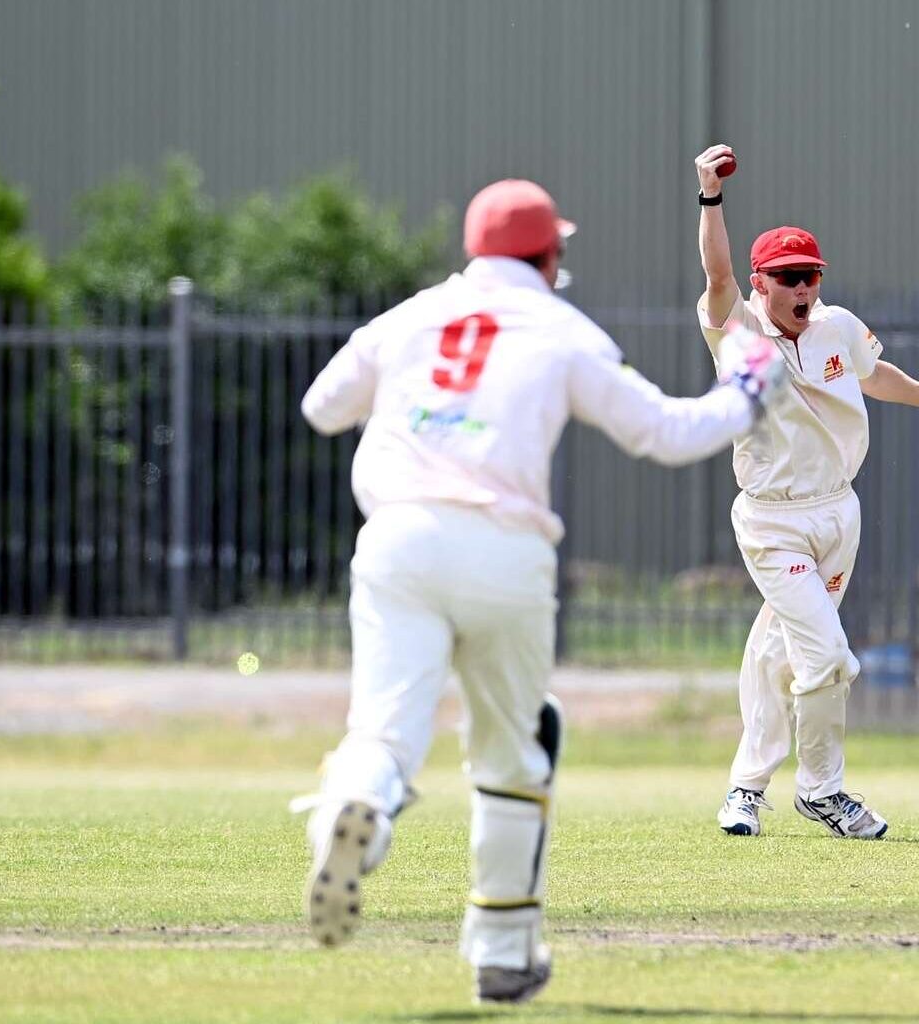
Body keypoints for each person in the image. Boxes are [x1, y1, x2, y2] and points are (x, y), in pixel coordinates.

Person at [292, 177, 784, 1005]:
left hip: (400, 539)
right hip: (506, 554)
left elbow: (321, 406)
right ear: (550, 254)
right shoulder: (561, 331)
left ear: (474, 250)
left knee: (382, 731)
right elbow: (661, 432)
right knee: (516, 750)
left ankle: (358, 812)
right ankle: (503, 951)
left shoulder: (410, 317)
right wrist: (746, 394)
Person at [692, 144, 919, 840]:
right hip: (772, 520)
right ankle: (822, 791)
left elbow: (875, 377)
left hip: (837, 514)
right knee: (826, 657)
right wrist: (710, 196)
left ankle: (743, 789)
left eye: (811, 278)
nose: (803, 290)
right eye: (789, 278)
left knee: (778, 650)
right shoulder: (737, 332)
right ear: (762, 284)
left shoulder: (838, 327)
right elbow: (717, 273)